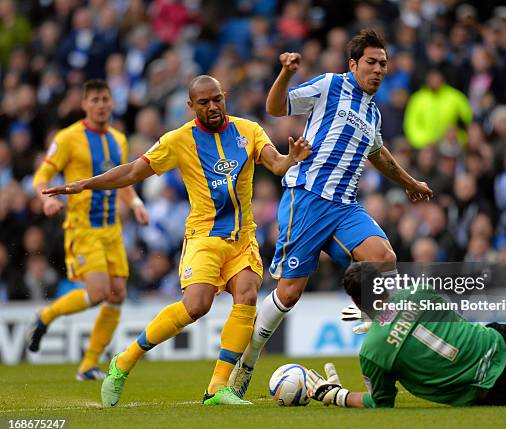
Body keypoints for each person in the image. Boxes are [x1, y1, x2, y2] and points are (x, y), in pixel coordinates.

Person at [43, 75, 311, 406]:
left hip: (243, 237)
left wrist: (291, 158)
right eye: (204, 102)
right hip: (204, 238)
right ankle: (124, 361)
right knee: (197, 306)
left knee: (247, 294)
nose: (212, 107)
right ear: (190, 106)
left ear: (224, 97)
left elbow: (276, 164)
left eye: (217, 99)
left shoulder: (249, 130)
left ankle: (217, 387)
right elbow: (131, 173)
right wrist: (84, 184)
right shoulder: (178, 140)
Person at [228, 29, 433, 398]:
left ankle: (378, 341)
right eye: (371, 62)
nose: (378, 70)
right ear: (353, 64)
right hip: (307, 198)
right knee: (289, 294)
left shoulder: (372, 110)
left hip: (344, 207)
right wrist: (286, 73)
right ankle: (248, 358)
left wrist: (408, 181)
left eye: (383, 64)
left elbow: (378, 153)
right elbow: (276, 107)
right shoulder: (329, 86)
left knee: (383, 258)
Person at [305, 262, 506, 408]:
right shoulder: (419, 290)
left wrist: (338, 396)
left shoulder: (372, 351)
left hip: (484, 389)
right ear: (384, 283)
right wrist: (389, 318)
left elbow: (380, 403)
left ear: (355, 303)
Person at [28, 79, 149, 381]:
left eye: (105, 99)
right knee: (97, 293)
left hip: (112, 230)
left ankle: (88, 365)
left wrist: (134, 202)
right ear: (84, 104)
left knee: (118, 294)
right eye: (94, 99)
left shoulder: (119, 140)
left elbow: (120, 181)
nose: (101, 105)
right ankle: (46, 315)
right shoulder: (68, 138)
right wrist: (46, 200)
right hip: (83, 228)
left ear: (112, 102)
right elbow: (42, 174)